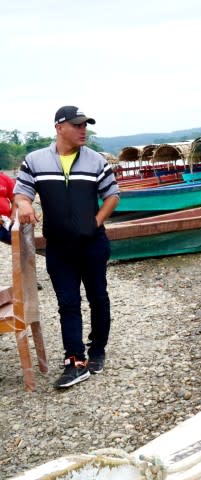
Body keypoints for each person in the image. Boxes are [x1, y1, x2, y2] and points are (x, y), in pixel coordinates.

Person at [14, 106, 120, 388]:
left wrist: (96, 222)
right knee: (67, 303)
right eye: (77, 125)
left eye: (85, 125)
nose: (83, 130)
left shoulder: (96, 161)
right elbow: (21, 193)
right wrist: (24, 205)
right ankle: (75, 360)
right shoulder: (35, 161)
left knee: (98, 297)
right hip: (59, 247)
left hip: (93, 244)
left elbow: (112, 195)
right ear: (59, 128)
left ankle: (97, 350)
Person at [0, 171, 14, 244]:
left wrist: (13, 215)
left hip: (5, 222)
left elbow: (14, 199)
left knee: (15, 243)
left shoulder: (5, 179)